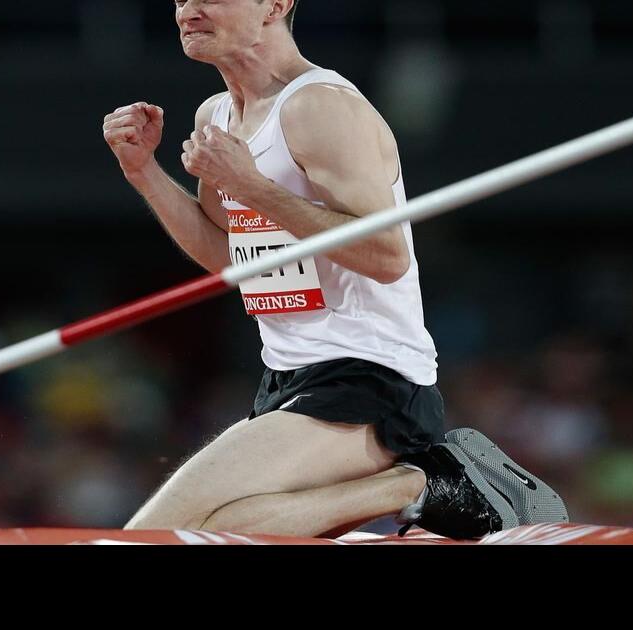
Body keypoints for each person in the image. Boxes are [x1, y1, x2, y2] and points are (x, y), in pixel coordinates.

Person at [103, 0, 567, 538]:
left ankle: (419, 483)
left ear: (275, 5)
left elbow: (387, 256)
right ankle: (417, 484)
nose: (190, 9)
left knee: (154, 535)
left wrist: (253, 186)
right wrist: (144, 173)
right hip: (286, 378)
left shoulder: (320, 107)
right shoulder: (217, 117)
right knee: (226, 530)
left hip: (370, 376)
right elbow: (228, 260)